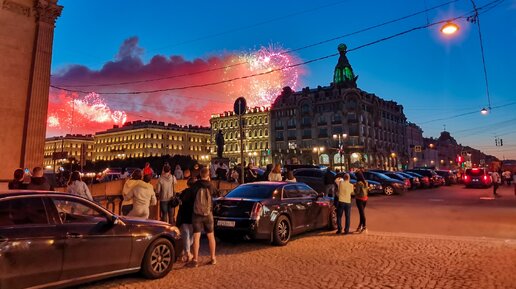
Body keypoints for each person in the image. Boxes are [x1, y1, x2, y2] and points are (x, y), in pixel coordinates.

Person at [187, 167, 220, 267]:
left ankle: (195, 259)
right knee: (211, 236)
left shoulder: (195, 185)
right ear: (208, 174)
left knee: (196, 236)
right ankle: (213, 258)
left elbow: (190, 197)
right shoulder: (211, 185)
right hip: (208, 214)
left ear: (200, 174)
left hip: (196, 214)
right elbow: (217, 194)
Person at [177, 177, 197, 262]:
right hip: (193, 217)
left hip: (184, 217)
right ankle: (187, 253)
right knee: (190, 237)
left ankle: (185, 252)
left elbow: (178, 201)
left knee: (185, 236)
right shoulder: (197, 193)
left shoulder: (184, 192)